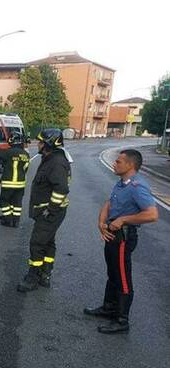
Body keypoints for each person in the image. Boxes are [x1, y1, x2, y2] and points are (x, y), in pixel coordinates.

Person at [84, 149, 158, 334]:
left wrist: (124, 220)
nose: (115, 164)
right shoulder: (121, 184)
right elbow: (109, 203)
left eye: (118, 161)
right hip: (112, 235)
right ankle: (109, 308)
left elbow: (152, 214)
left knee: (123, 278)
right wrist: (101, 222)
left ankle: (122, 320)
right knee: (113, 273)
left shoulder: (137, 186)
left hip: (124, 237)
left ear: (130, 165)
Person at [17, 128, 71, 292]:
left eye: (41, 142)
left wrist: (51, 209)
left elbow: (61, 189)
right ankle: (45, 275)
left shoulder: (55, 162)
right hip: (49, 211)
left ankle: (33, 277)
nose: (38, 144)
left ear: (48, 144)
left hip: (50, 212)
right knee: (48, 243)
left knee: (37, 243)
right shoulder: (50, 158)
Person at [0, 131, 30, 227]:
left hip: (8, 183)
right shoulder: (26, 154)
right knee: (16, 202)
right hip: (20, 183)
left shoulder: (9, 152)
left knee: (4, 201)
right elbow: (25, 169)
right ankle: (15, 220)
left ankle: (8, 219)